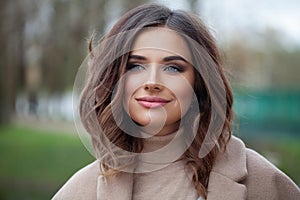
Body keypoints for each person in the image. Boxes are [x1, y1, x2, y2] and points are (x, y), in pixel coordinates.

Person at [52, 4, 300, 200]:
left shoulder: (260, 180)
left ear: (199, 82)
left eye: (173, 68)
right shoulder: (80, 190)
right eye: (135, 65)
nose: (152, 82)